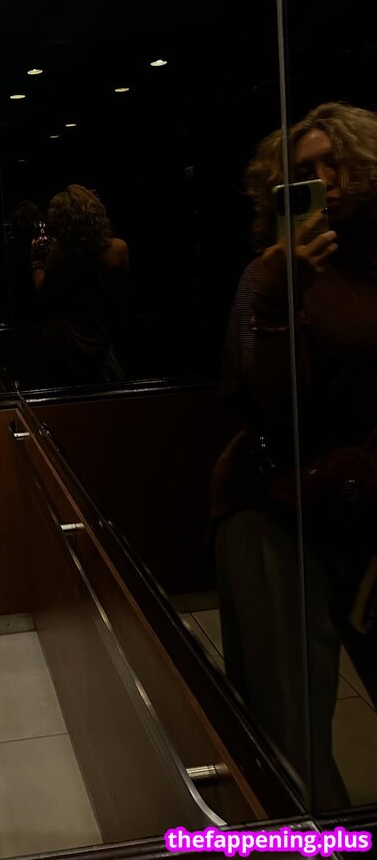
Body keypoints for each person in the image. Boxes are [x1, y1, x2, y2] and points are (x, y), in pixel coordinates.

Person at [214, 102, 377, 809]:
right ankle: (315, 844)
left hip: (368, 500)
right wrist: (281, 298)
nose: (323, 181)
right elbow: (270, 405)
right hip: (276, 504)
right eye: (302, 173)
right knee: (291, 730)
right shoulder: (266, 277)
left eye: (333, 164)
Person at [29, 184, 129, 385]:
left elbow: (44, 295)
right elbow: (123, 294)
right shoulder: (118, 249)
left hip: (67, 343)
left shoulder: (59, 254)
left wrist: (36, 261)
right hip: (106, 334)